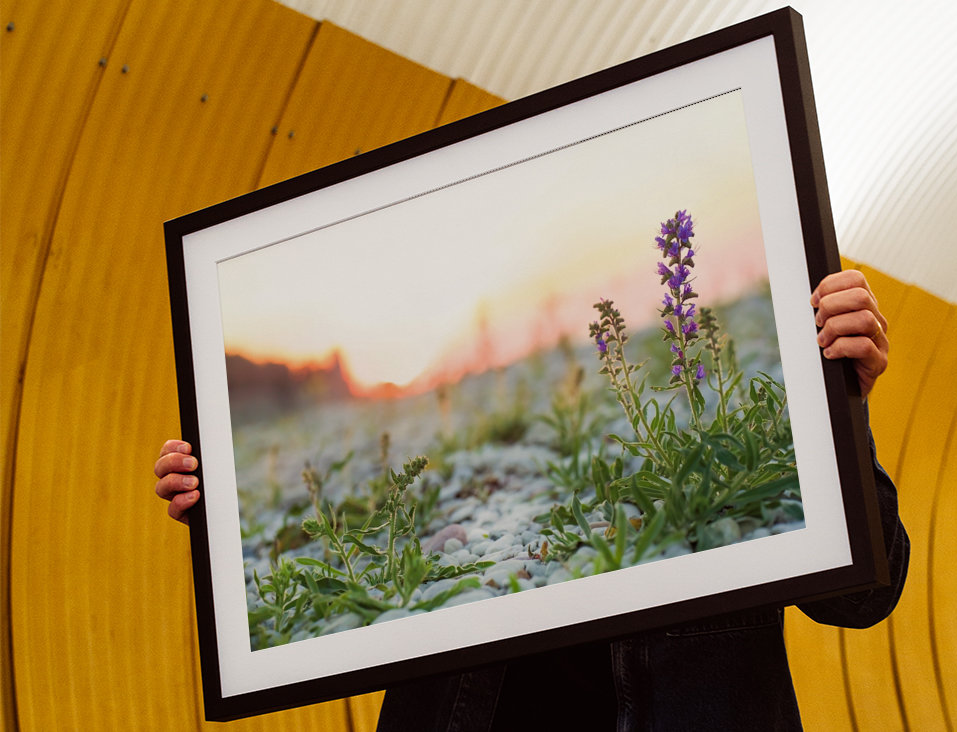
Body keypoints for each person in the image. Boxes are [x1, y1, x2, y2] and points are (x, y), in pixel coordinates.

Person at [154, 270, 908, 731]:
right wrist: (221, 520)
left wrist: (839, 405)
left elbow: (866, 595)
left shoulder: (750, 414)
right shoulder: (439, 487)